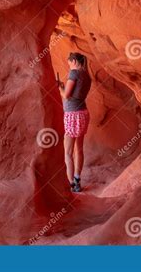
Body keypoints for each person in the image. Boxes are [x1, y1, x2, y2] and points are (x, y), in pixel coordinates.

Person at [58, 52, 92, 192]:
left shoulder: (74, 73)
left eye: (69, 62)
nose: (69, 65)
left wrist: (59, 87)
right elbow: (77, 94)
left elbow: (67, 95)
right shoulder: (87, 75)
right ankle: (77, 180)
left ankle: (71, 183)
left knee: (68, 152)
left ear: (73, 61)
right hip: (83, 113)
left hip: (72, 115)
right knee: (79, 149)